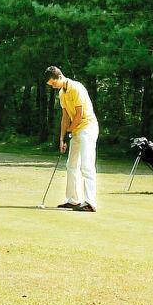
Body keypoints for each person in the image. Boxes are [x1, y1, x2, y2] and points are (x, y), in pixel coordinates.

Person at [46, 66, 98, 213]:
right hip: (76, 130)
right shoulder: (62, 94)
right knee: (71, 165)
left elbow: (79, 115)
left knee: (86, 165)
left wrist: (70, 131)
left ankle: (90, 202)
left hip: (88, 128)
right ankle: (73, 200)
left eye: (53, 83)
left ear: (60, 77)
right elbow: (65, 117)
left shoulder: (76, 88)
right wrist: (62, 139)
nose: (53, 87)